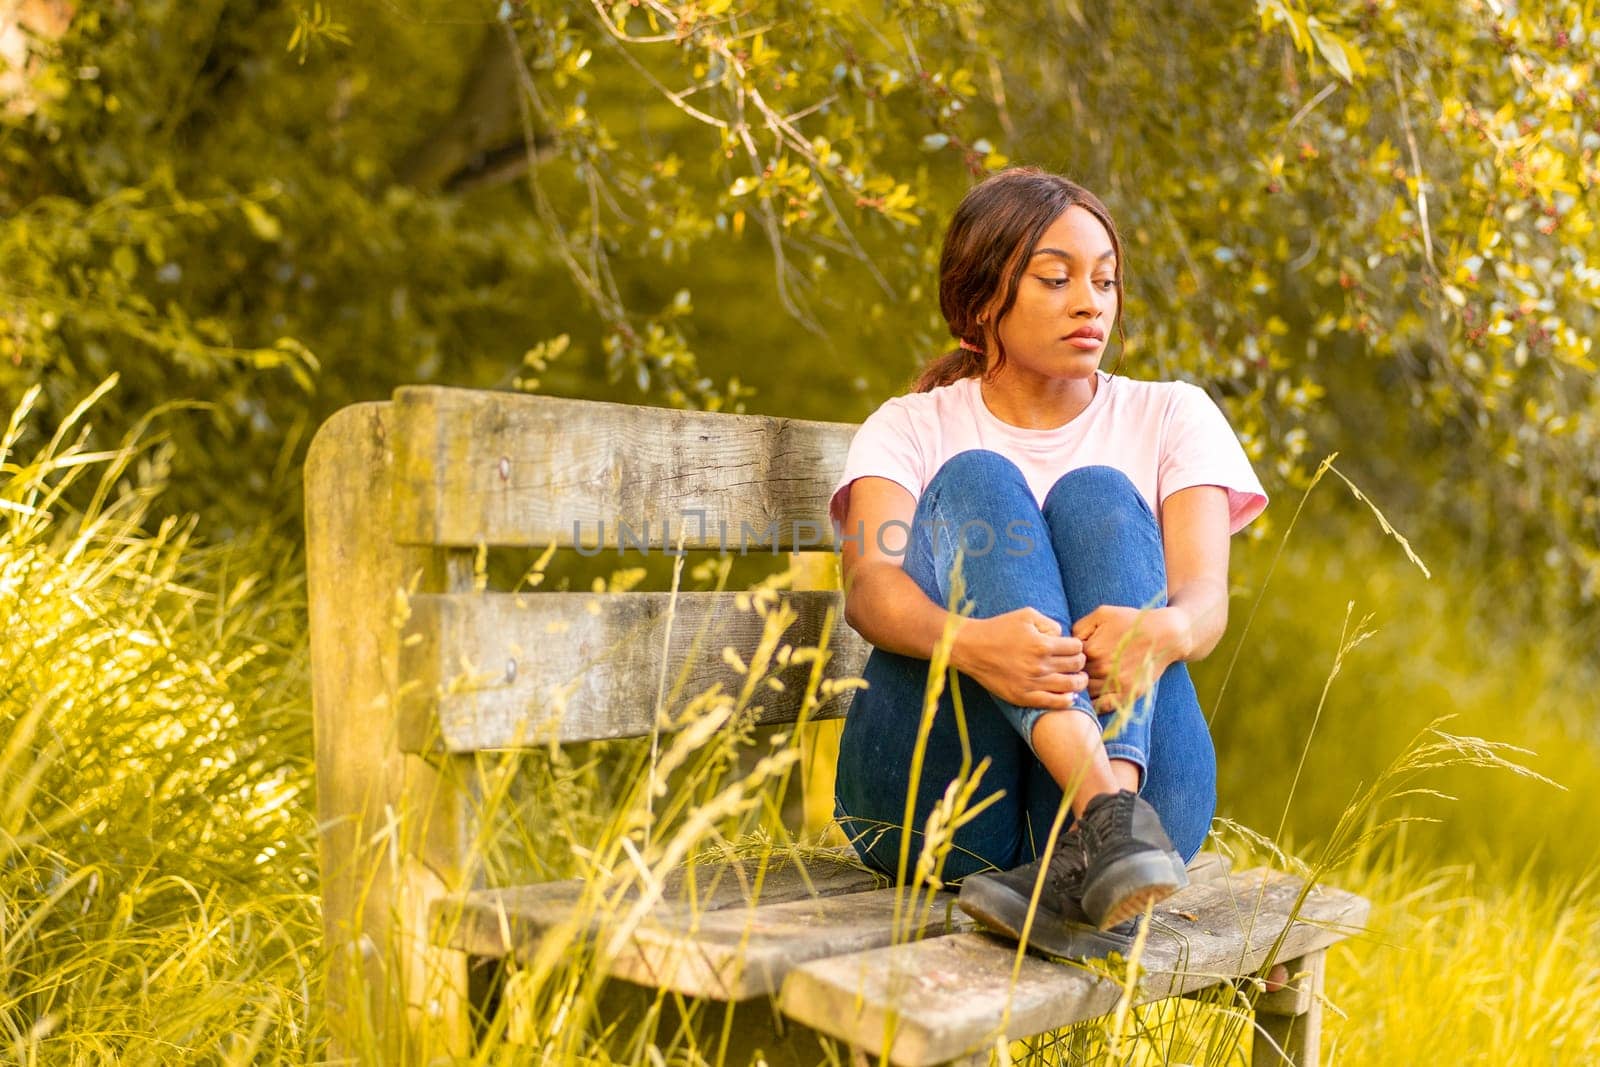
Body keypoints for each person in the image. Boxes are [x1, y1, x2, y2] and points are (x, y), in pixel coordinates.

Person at [826, 166, 1267, 960]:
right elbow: (870, 587)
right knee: (977, 480)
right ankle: (1113, 829)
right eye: (1056, 278)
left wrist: (1159, 630)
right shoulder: (910, 428)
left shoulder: (1171, 414)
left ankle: (1103, 826)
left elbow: (1207, 597)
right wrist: (974, 645)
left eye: (1105, 280)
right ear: (981, 298)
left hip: (1152, 782)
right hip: (940, 802)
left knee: (1099, 494)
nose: (1090, 301)